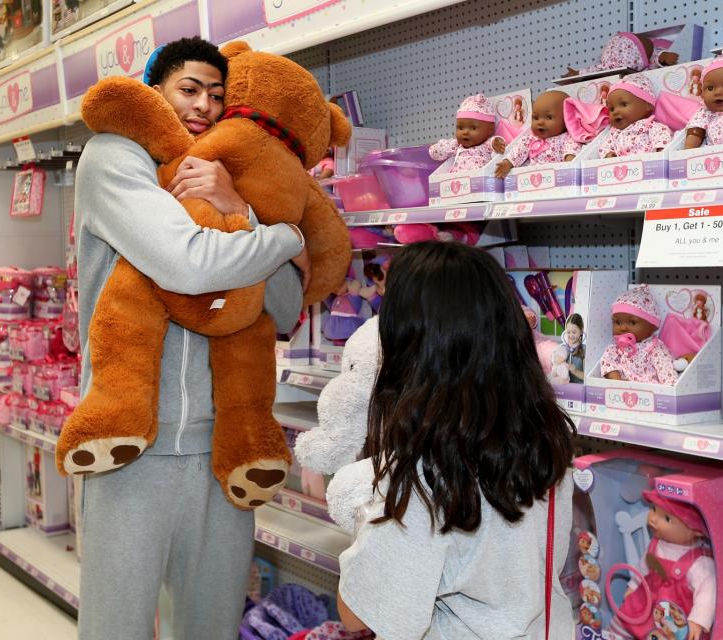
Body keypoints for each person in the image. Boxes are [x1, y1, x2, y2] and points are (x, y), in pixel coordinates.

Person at [75, 37, 308, 640]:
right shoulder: (113, 157)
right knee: (115, 627)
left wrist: (239, 209)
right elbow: (184, 264)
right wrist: (286, 238)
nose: (203, 105)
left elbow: (282, 307)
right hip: (132, 448)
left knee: (211, 625)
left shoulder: (225, 175)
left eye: (217, 94)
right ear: (156, 90)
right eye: (189, 89)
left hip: (220, 453)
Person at [333, 241, 576, 638]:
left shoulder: (425, 472)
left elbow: (360, 614)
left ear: (411, 347)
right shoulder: (545, 437)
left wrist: (364, 514)